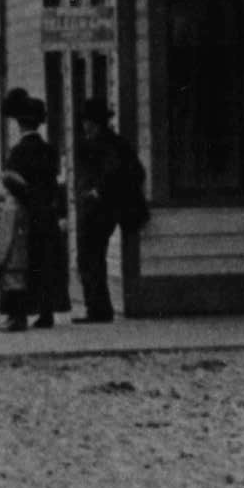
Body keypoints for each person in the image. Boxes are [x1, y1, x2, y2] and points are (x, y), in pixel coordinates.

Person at [0, 89, 69, 331]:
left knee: (19, 265)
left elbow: (13, 182)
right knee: (45, 263)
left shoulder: (18, 152)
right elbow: (56, 184)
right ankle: (45, 313)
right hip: (46, 213)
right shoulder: (49, 150)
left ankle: (18, 315)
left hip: (24, 215)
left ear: (19, 123)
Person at [70, 92, 145, 324]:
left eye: (89, 122)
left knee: (89, 257)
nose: (86, 126)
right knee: (92, 258)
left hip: (100, 210)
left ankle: (98, 310)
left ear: (96, 123)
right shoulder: (108, 143)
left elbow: (121, 172)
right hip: (95, 209)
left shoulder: (108, 144)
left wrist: (99, 191)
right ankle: (98, 308)